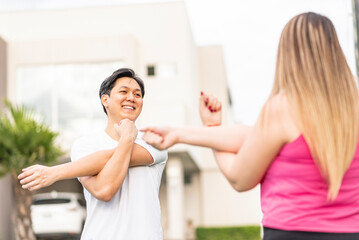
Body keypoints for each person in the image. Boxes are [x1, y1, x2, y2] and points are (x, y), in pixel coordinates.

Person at [142, 12, 359, 240]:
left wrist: (209, 131)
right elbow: (250, 136)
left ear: (289, 55)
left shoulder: (283, 108)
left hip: (291, 233)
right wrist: (182, 133)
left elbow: (239, 178)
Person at [18, 68, 168, 239]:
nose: (131, 98)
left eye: (138, 94)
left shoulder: (154, 140)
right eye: (123, 91)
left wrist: (55, 172)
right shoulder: (85, 145)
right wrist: (127, 138)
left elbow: (105, 159)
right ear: (106, 99)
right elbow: (104, 190)